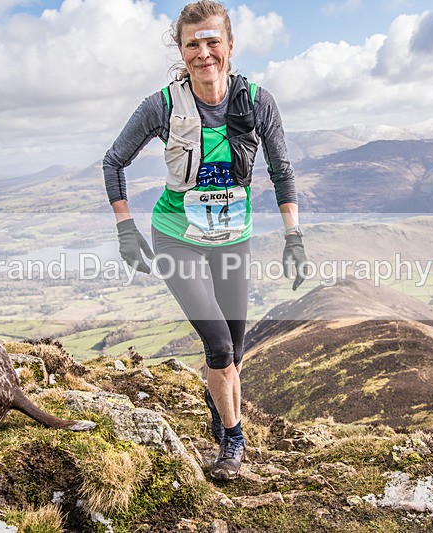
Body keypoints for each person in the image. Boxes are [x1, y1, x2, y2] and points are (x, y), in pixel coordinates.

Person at [103, 0, 307, 481]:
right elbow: (114, 161)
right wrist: (125, 229)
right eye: (192, 43)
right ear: (181, 50)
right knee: (217, 345)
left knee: (234, 352)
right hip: (178, 238)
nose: (203, 52)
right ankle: (234, 442)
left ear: (230, 46)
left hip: (234, 239)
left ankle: (220, 416)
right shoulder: (162, 106)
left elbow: (281, 169)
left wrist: (293, 238)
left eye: (213, 41)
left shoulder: (257, 101)